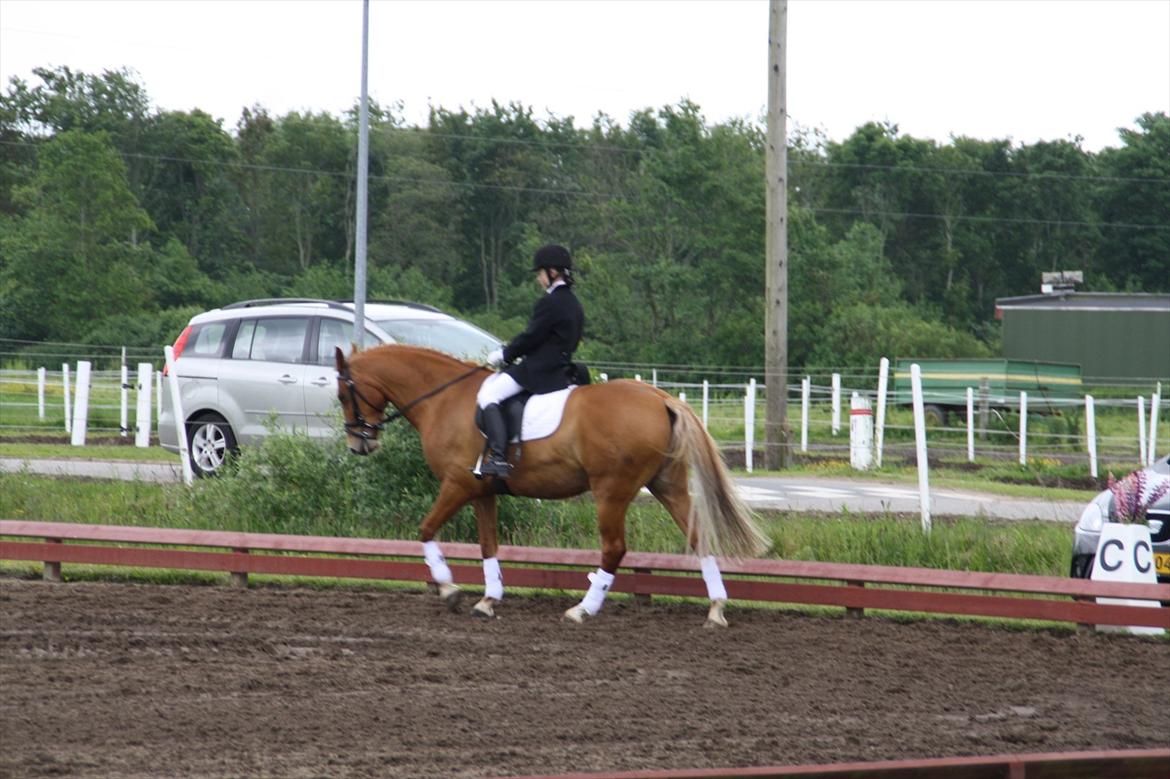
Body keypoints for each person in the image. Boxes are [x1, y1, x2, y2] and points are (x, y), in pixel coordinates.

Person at [476, 244, 585, 478]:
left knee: (488, 396)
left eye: (540, 273)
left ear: (552, 272)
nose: (539, 278)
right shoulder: (574, 303)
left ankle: (497, 457)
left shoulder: (550, 302)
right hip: (562, 368)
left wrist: (505, 355)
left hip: (538, 370)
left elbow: (531, 336)